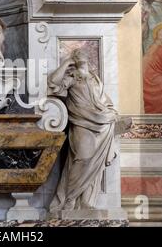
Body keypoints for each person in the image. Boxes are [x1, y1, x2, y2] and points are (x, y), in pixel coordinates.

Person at [48, 48, 119, 212]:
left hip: (102, 125)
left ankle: (86, 201)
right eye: (76, 53)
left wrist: (110, 115)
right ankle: (69, 198)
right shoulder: (72, 77)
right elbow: (52, 82)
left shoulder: (96, 79)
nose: (80, 54)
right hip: (81, 123)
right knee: (83, 159)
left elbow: (105, 102)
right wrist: (66, 63)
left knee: (94, 164)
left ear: (88, 58)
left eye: (82, 53)